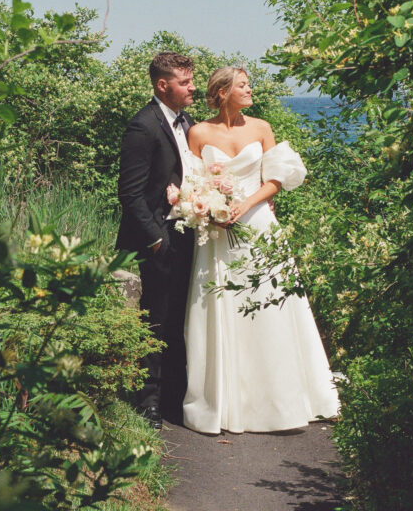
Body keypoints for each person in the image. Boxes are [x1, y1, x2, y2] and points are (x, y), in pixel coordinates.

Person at [182, 67, 340, 435]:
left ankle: (284, 398)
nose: (249, 89)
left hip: (258, 225)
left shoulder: (262, 127)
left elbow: (276, 179)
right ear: (222, 92)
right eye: (242, 85)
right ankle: (227, 401)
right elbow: (192, 180)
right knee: (224, 309)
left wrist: (244, 205)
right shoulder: (199, 132)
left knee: (273, 307)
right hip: (218, 235)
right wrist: (208, 207)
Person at [116, 52, 196, 428]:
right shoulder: (142, 126)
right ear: (163, 86)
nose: (193, 87)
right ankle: (147, 401)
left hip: (185, 235)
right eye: (185, 82)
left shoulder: (187, 122)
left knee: (180, 319)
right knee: (155, 321)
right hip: (158, 241)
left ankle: (173, 399)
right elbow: (130, 195)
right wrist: (156, 243)